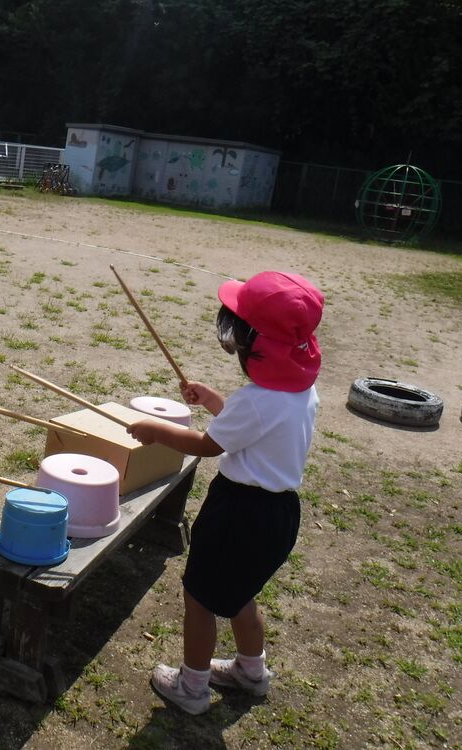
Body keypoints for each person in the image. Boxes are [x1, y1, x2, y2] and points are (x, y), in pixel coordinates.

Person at [127, 271, 324, 714]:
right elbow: (256, 429)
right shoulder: (301, 392)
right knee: (240, 593)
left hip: (238, 512)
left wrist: (157, 429)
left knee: (199, 598)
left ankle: (192, 688)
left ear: (255, 344)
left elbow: (208, 445)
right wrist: (217, 401)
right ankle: (252, 672)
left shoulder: (255, 401)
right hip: (279, 514)